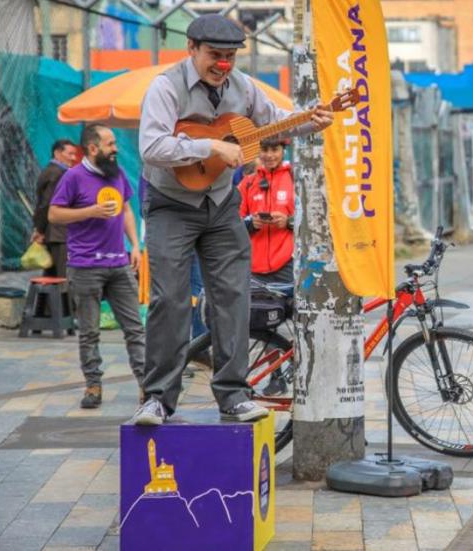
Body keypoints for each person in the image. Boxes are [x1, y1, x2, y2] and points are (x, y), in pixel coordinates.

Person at [131, 14, 332, 425]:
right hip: (171, 203)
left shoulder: (243, 88)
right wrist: (210, 148)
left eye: (230, 57)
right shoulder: (166, 87)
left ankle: (233, 394)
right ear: (191, 49)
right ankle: (158, 398)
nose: (223, 65)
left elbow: (276, 120)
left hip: (221, 205)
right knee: (169, 299)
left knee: (233, 297)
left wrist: (311, 120)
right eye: (214, 56)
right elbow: (152, 146)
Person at [48, 124, 145, 409]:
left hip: (119, 264)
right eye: (110, 144)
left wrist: (135, 245)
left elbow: (126, 208)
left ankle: (146, 387)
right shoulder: (73, 177)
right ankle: (93, 386)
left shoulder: (118, 174)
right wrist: (89, 212)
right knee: (89, 332)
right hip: (84, 266)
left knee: (135, 329)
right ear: (92, 148)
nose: (116, 148)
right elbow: (54, 214)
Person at [237, 136, 296, 285]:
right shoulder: (247, 183)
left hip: (288, 264)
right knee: (253, 308)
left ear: (284, 150)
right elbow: (231, 222)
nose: (270, 155)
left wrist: (288, 221)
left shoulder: (296, 179)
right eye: (264, 150)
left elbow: (312, 221)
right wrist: (251, 223)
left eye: (275, 150)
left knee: (291, 308)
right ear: (258, 151)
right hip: (252, 268)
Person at [32, 139, 78, 278]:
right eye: (70, 154)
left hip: (53, 233)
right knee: (62, 277)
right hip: (59, 233)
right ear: (57, 153)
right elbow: (46, 204)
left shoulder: (51, 171)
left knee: (51, 276)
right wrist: (39, 230)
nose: (74, 158)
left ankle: (45, 301)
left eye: (74, 154)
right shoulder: (58, 174)